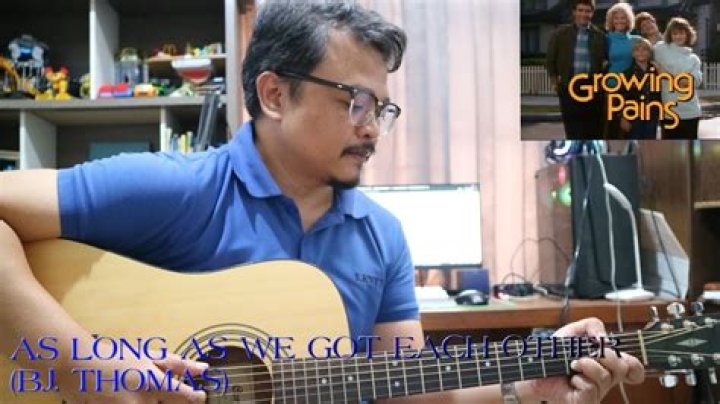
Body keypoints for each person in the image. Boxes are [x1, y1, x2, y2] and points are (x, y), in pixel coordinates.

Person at [0, 2, 644, 403]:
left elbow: (405, 390)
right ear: (275, 95)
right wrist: (85, 368)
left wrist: (524, 384)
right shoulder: (179, 189)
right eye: (355, 102)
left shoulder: (381, 236)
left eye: (381, 108)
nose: (373, 129)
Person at [546, 0, 607, 139]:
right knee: (573, 130)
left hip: (592, 87)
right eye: (580, 10)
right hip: (569, 86)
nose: (583, 14)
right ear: (574, 12)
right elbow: (550, 60)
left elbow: (605, 60)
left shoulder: (599, 36)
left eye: (587, 11)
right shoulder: (561, 34)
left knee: (594, 129)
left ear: (592, 13)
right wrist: (556, 82)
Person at [653, 17, 703, 139]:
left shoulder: (693, 59)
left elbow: (690, 83)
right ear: (670, 35)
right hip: (669, 112)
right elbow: (643, 52)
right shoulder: (660, 49)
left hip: (690, 112)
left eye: (681, 33)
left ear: (688, 34)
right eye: (675, 33)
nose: (678, 36)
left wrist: (665, 74)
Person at [605, 2, 640, 138]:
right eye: (616, 18)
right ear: (611, 20)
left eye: (623, 18)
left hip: (631, 89)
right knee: (612, 128)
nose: (619, 21)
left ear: (628, 20)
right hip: (612, 88)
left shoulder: (636, 40)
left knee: (628, 128)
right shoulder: (606, 39)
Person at [620, 38, 662, 139]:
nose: (641, 52)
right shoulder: (627, 74)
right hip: (633, 116)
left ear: (649, 53)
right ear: (633, 54)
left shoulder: (656, 71)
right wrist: (623, 117)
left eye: (644, 49)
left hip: (652, 115)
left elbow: (659, 93)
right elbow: (621, 97)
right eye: (637, 50)